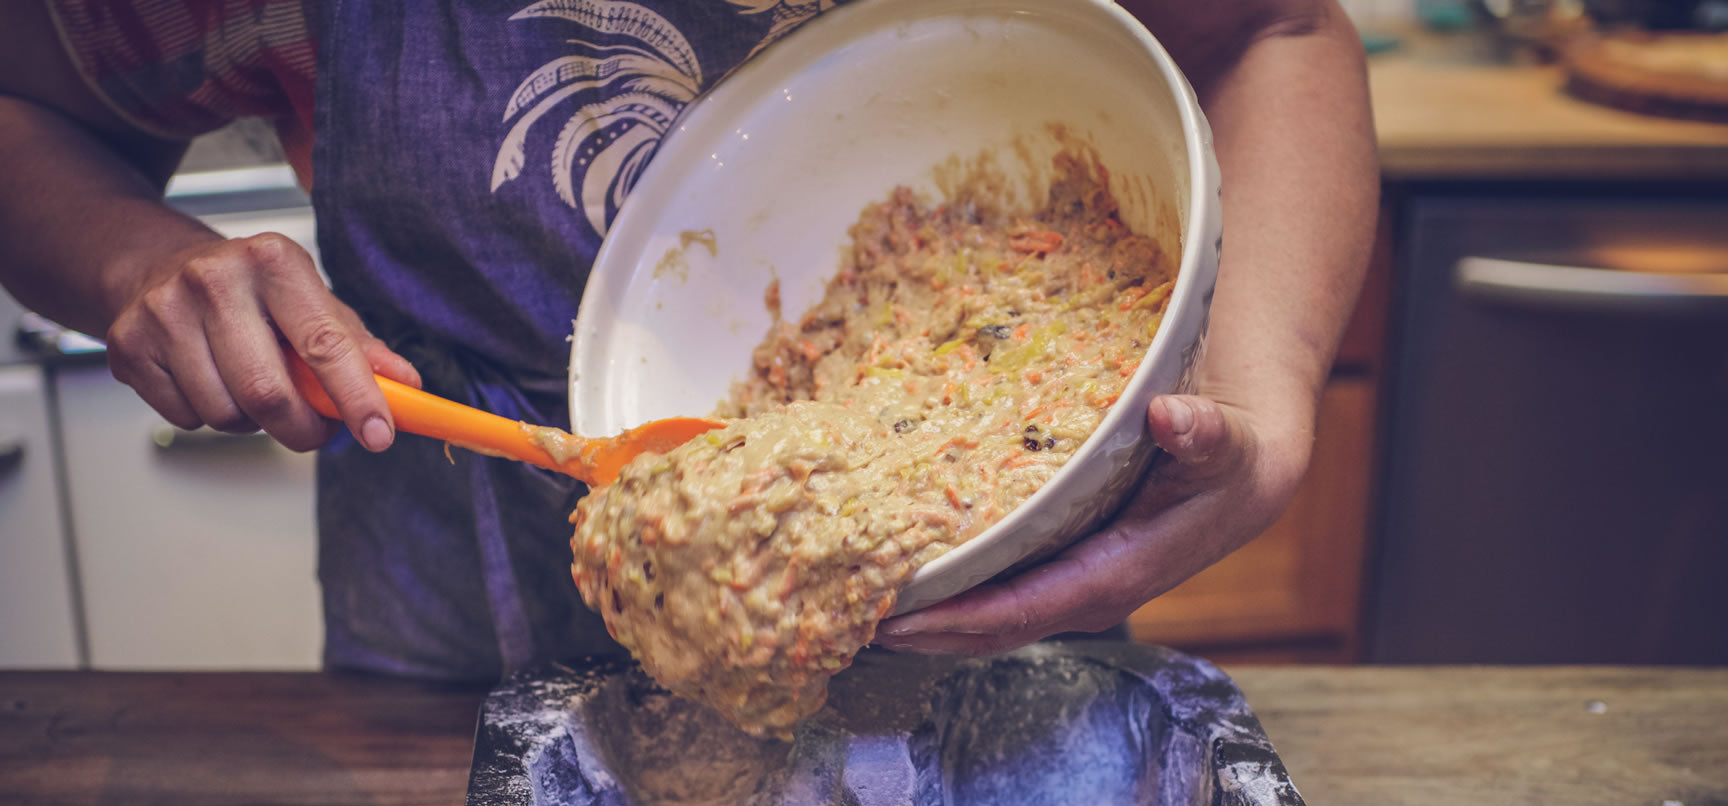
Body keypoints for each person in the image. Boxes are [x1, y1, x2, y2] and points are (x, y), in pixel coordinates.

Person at [0, 0, 1378, 678]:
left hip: (1015, 605)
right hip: (447, 641)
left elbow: (1277, 26)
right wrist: (143, 259)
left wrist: (1263, 403)